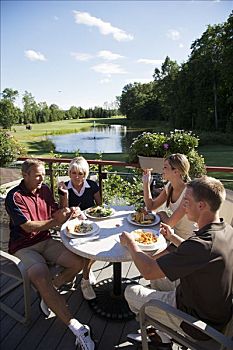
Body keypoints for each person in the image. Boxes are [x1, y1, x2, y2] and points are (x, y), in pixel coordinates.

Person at [120, 176, 233, 348]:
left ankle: (162, 329)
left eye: (186, 201)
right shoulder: (227, 231)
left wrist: (131, 243)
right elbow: (200, 255)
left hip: (197, 324)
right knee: (158, 278)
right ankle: (163, 332)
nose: (183, 206)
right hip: (212, 308)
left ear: (201, 206)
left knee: (130, 291)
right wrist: (172, 236)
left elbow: (148, 270)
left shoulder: (202, 245)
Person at [5, 159, 95, 350]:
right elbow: (27, 226)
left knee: (78, 261)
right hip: (24, 247)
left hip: (46, 241)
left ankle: (50, 291)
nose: (41, 178)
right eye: (37, 175)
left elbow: (57, 212)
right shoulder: (14, 197)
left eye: (43, 174)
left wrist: (65, 199)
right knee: (39, 275)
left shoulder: (44, 189)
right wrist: (55, 222)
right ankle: (77, 328)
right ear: (25, 175)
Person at [58, 156, 101, 300]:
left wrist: (89, 213)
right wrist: (66, 199)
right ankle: (86, 275)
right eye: (73, 173)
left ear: (85, 174)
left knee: (95, 248)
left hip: (91, 224)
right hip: (72, 225)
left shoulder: (92, 185)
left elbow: (100, 207)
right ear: (69, 173)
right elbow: (62, 211)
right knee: (83, 249)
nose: (76, 177)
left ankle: (85, 275)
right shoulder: (65, 187)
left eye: (80, 173)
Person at [143, 153, 196, 241]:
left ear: (176, 171)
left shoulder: (188, 193)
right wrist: (146, 183)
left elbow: (168, 224)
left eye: (165, 167)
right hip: (174, 236)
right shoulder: (169, 186)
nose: (162, 169)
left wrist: (162, 213)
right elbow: (151, 206)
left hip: (188, 241)